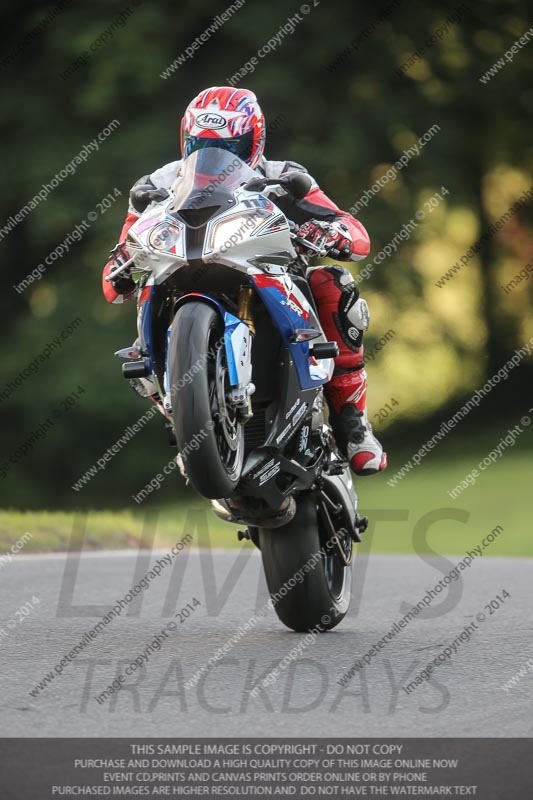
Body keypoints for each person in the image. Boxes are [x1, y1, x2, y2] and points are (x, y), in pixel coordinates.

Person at [102, 87, 386, 476]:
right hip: (184, 269)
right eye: (201, 144)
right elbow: (120, 261)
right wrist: (121, 263)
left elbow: (355, 235)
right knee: (146, 296)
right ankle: (187, 423)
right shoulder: (157, 185)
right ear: (186, 141)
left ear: (255, 141)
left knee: (334, 282)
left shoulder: (284, 175)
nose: (215, 156)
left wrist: (328, 233)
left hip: (267, 273)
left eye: (231, 146)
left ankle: (352, 423)